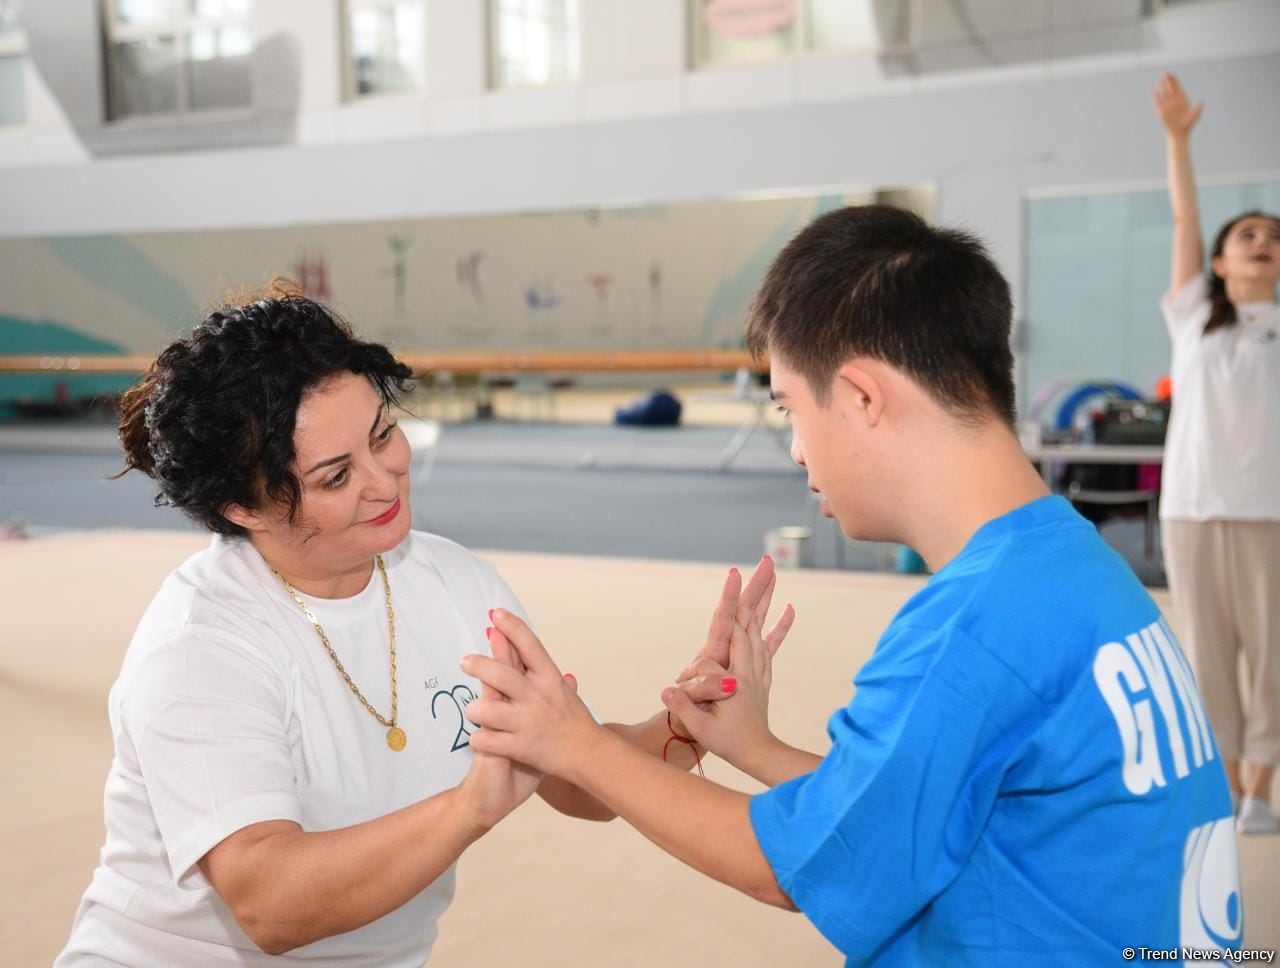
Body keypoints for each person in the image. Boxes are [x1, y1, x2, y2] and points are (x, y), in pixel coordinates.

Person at [462, 205, 1241, 963]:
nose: (797, 450)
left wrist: (575, 742)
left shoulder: (970, 626)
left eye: (791, 408)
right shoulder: (1068, 563)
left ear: (864, 397)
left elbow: (793, 867)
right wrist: (754, 748)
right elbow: (910, 809)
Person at [55, 284, 793, 965]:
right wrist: (468, 807)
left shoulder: (452, 581)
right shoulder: (201, 644)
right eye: (336, 477)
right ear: (242, 509)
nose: (385, 481)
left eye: (382, 435)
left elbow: (580, 780)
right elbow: (269, 901)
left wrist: (690, 724)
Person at [1153, 72, 1280, 835]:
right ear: (1222, 264)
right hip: (1193, 509)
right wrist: (1178, 143)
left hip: (1271, 513)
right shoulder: (1196, 316)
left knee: (1272, 657)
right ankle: (1224, 783)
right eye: (1248, 236)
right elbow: (1183, 219)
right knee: (1206, 656)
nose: (1263, 243)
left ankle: (1261, 790)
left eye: (1275, 238)